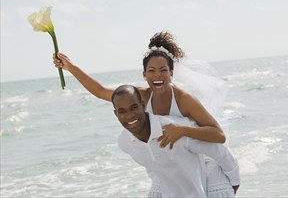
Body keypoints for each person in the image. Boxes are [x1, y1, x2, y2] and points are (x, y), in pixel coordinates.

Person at [53, 31, 238, 196]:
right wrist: (70, 67)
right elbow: (101, 91)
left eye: (163, 70)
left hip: (202, 157)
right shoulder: (140, 96)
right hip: (172, 163)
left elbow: (219, 135)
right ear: (144, 74)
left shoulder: (183, 99)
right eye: (152, 71)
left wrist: (182, 130)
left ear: (171, 73)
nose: (157, 76)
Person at [112, 84, 240, 197]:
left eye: (134, 107)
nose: (129, 115)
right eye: (122, 111)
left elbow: (219, 150)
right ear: (116, 114)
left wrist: (234, 182)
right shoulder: (125, 143)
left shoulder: (175, 131)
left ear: (143, 105)